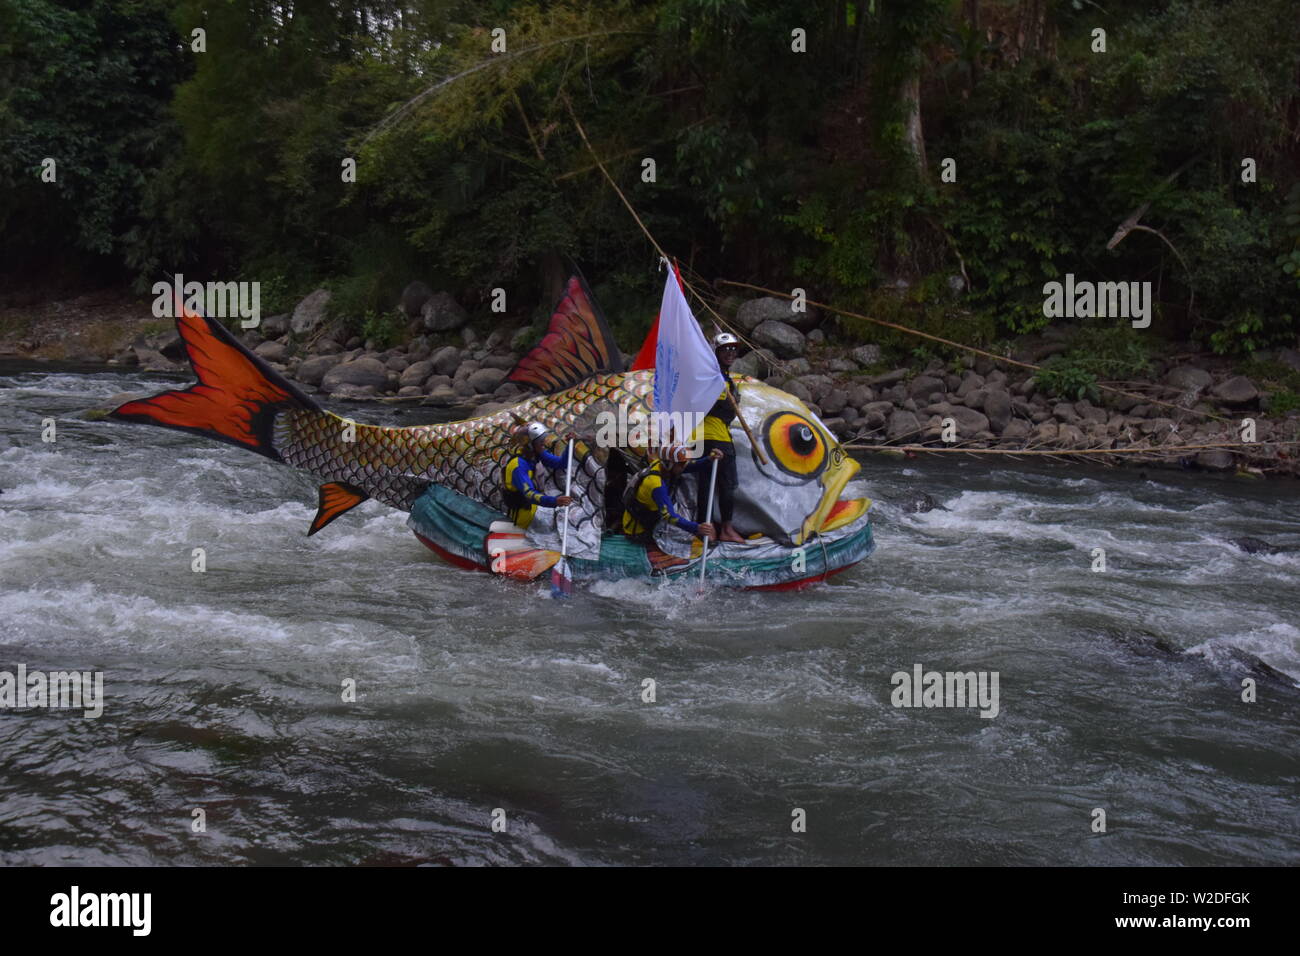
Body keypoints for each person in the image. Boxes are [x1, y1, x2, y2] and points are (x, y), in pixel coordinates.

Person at [694, 332, 745, 543]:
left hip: (718, 434)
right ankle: (717, 529)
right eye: (726, 349)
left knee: (722, 484)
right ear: (716, 352)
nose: (730, 353)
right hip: (713, 437)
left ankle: (721, 528)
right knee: (722, 483)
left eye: (734, 349)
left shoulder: (723, 376)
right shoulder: (711, 376)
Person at [622, 444, 721, 547]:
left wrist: (709, 459)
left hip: (648, 520)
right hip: (638, 532)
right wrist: (697, 527)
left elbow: (689, 466)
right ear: (670, 464)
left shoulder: (662, 465)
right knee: (682, 542)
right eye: (681, 464)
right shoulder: (655, 484)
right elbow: (669, 516)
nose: (684, 466)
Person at [501, 422, 574, 529]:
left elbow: (561, 463)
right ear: (531, 445)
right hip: (524, 516)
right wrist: (555, 501)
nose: (544, 444)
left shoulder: (536, 454)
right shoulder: (518, 466)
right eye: (541, 441)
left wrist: (569, 445)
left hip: (535, 506)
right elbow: (529, 494)